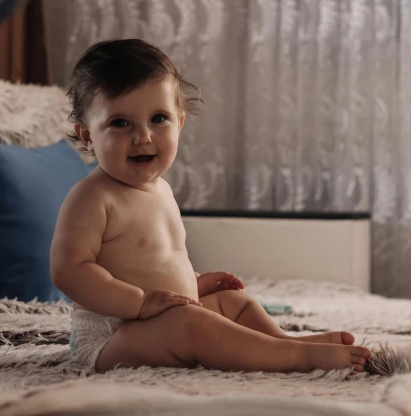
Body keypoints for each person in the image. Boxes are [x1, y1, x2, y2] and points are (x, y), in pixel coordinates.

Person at [50, 39, 371, 373]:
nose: (142, 137)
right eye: (120, 123)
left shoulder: (161, 190)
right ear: (86, 135)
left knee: (235, 303)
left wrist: (194, 283)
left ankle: (281, 342)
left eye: (158, 118)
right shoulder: (92, 196)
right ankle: (294, 359)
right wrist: (140, 303)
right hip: (112, 335)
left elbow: (153, 263)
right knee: (190, 324)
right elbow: (69, 270)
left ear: (181, 123)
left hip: (161, 316)